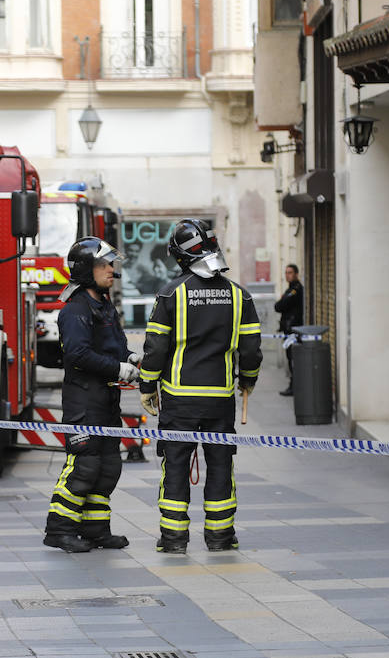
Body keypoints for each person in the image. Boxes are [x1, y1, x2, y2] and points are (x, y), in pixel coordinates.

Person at [138, 219, 262, 553]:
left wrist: (148, 386)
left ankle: (174, 540)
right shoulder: (240, 296)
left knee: (175, 466)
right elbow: (251, 349)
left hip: (179, 400)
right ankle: (221, 537)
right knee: (221, 465)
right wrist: (248, 380)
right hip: (220, 400)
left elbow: (156, 347)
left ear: (179, 256)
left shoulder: (170, 294)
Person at [43, 237, 139, 553]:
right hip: (84, 401)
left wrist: (130, 359)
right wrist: (117, 369)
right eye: (104, 265)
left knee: (108, 465)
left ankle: (96, 530)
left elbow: (115, 345)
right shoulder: (76, 310)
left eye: (112, 264)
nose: (112, 270)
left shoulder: (103, 305)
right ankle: (59, 530)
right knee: (84, 466)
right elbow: (77, 354)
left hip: (106, 400)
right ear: (86, 269)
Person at [272, 263, 304, 396]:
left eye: (290, 272)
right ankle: (293, 385)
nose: (287, 275)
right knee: (290, 358)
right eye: (286, 272)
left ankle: (294, 386)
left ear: (296, 274)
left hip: (293, 330)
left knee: (293, 359)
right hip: (288, 329)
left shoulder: (296, 290)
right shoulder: (290, 289)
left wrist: (282, 301)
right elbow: (278, 306)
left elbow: (279, 306)